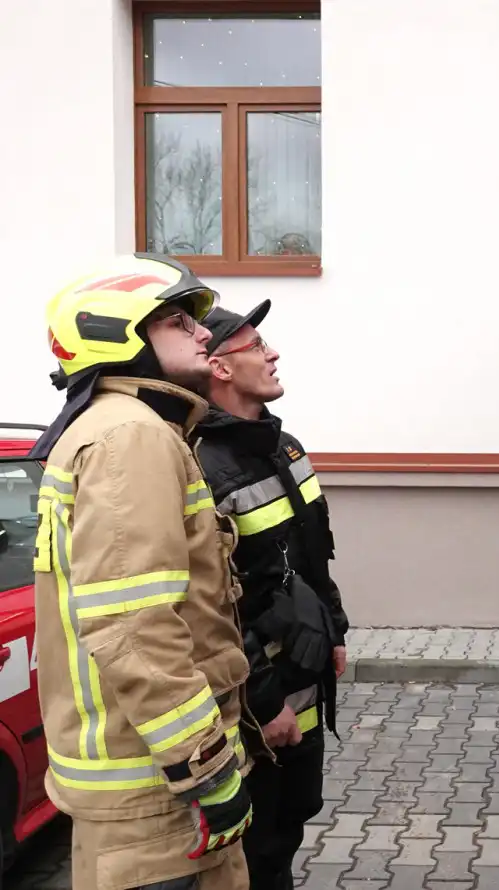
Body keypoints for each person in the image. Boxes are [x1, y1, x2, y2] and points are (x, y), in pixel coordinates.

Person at [29, 254, 254, 890]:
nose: (205, 334)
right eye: (183, 321)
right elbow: (134, 626)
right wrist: (206, 769)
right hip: (156, 796)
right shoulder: (132, 437)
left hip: (141, 783)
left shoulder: (111, 429)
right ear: (120, 331)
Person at [192, 300, 349, 890]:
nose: (273, 352)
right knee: (258, 850)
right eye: (257, 345)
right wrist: (263, 701)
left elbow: (314, 557)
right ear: (222, 369)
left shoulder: (286, 447)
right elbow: (213, 609)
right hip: (260, 709)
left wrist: (337, 630)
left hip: (305, 684)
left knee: (290, 825)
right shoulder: (202, 466)